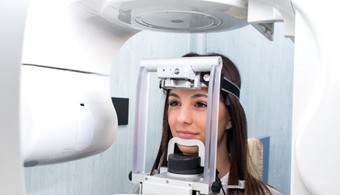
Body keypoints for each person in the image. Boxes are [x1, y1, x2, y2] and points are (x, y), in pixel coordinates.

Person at [150, 53, 282, 195]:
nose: (182, 118)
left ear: (230, 118)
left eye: (200, 104)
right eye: (174, 103)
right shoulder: (146, 188)